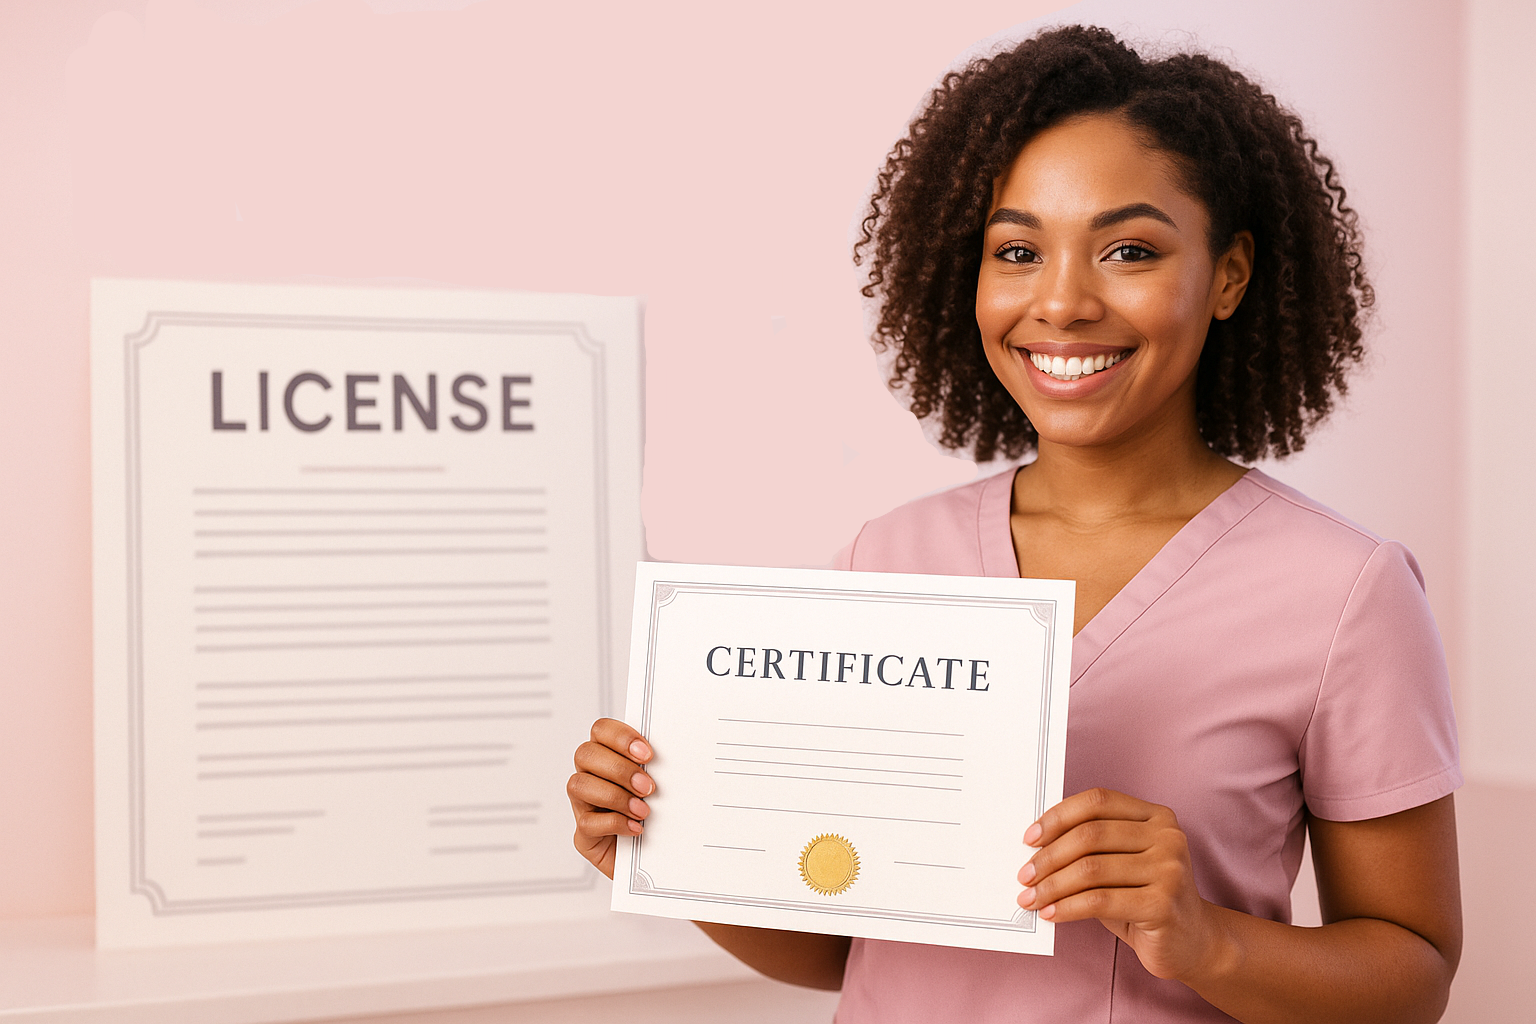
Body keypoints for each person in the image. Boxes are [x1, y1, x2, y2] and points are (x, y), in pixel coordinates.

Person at [566, 25, 1462, 1024]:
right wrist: (663, 844)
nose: (1063, 301)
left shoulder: (1345, 590)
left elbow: (1411, 976)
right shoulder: (888, 558)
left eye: (1129, 249)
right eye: (1018, 250)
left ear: (1230, 275)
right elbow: (843, 949)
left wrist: (1205, 939)